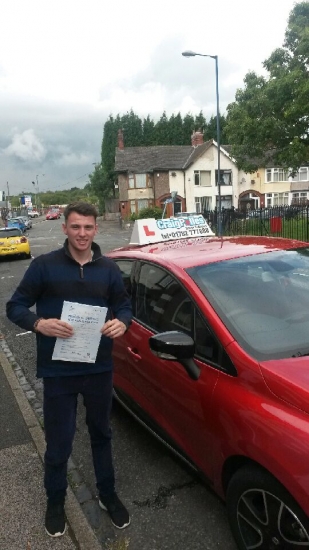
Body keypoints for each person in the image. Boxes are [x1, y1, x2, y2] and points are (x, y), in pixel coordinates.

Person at [6, 201, 132, 537]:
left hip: (98, 369)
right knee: (59, 441)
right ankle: (56, 501)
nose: (82, 233)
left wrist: (122, 322)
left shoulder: (107, 269)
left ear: (96, 229)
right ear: (65, 228)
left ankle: (107, 494)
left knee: (101, 433)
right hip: (58, 371)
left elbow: (123, 304)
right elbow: (14, 306)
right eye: (75, 227)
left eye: (88, 227)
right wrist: (38, 323)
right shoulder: (45, 267)